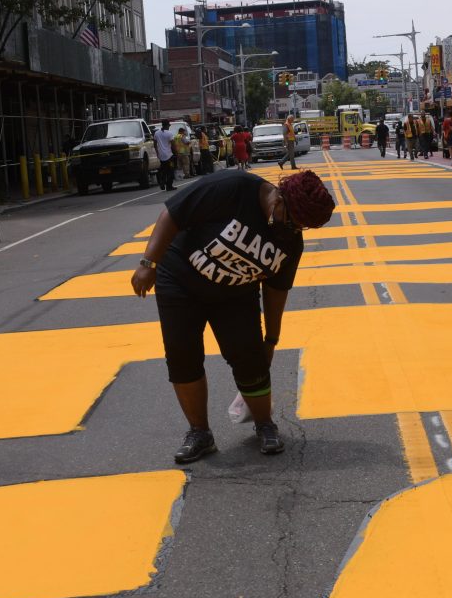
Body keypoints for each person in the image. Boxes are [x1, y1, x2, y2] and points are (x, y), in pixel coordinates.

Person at [130, 166, 335, 463]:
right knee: (182, 356)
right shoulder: (234, 187)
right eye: (292, 220)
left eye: (302, 227)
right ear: (279, 199)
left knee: (250, 359)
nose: (293, 229)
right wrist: (148, 263)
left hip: (235, 293)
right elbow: (173, 214)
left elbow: (276, 290)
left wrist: (271, 339)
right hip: (181, 280)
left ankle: (265, 424)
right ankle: (200, 433)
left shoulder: (290, 240)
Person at [154, 121, 176, 192]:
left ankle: (162, 182)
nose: (169, 127)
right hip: (169, 156)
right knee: (170, 171)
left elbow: (155, 144)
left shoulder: (156, 133)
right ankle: (169, 186)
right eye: (169, 125)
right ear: (167, 125)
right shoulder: (169, 133)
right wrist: (175, 153)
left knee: (163, 170)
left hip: (161, 156)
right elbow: (173, 145)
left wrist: (157, 152)